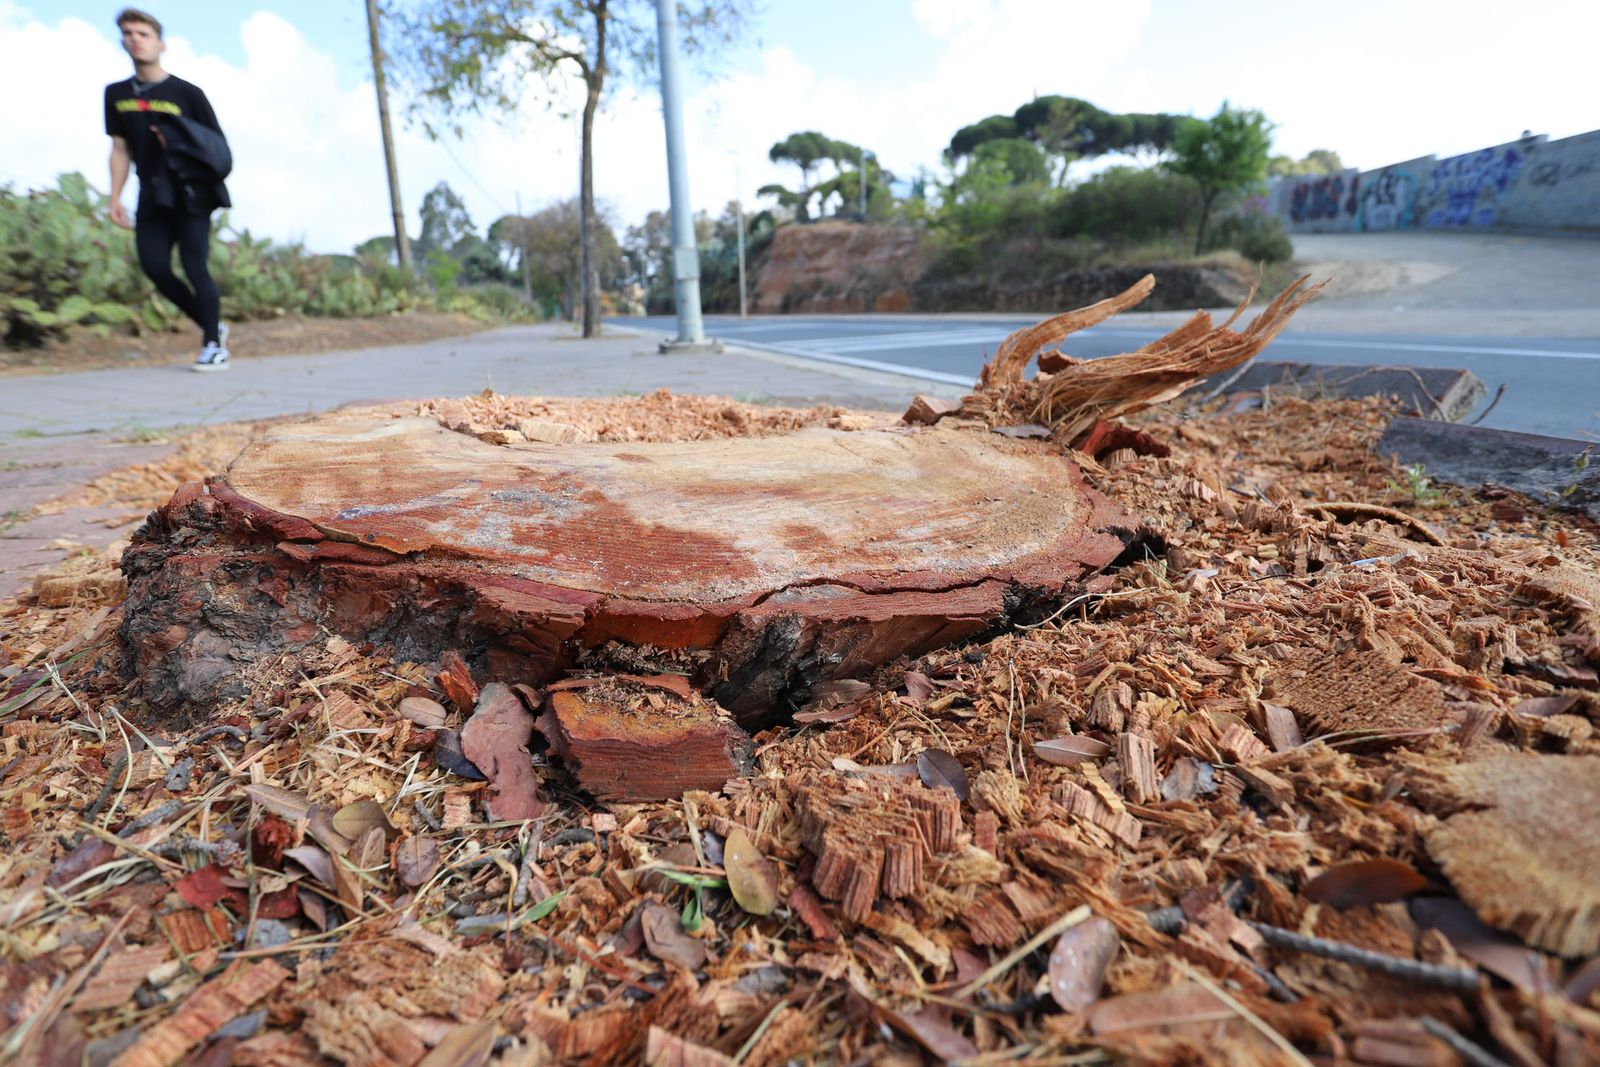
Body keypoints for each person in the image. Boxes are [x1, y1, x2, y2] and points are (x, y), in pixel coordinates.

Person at [105, 8, 233, 372]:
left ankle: (212, 345)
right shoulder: (116, 94)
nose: (135, 39)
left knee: (195, 267)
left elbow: (217, 147)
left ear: (160, 43)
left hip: (191, 193)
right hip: (150, 194)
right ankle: (214, 325)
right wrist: (115, 196)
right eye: (128, 33)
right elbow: (119, 148)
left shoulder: (187, 93)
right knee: (156, 267)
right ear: (122, 41)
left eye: (143, 33)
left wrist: (177, 142)